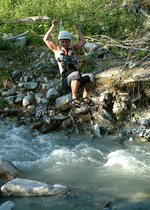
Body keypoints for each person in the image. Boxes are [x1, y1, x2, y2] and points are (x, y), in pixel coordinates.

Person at [43, 20, 95, 108]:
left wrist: (78, 29)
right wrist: (52, 26)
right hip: (66, 81)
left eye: (66, 42)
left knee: (91, 76)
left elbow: (83, 41)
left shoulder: (73, 49)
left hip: (77, 79)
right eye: (62, 42)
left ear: (69, 41)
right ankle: (74, 99)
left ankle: (85, 97)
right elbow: (46, 39)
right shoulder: (57, 50)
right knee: (76, 74)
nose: (64, 43)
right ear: (60, 41)